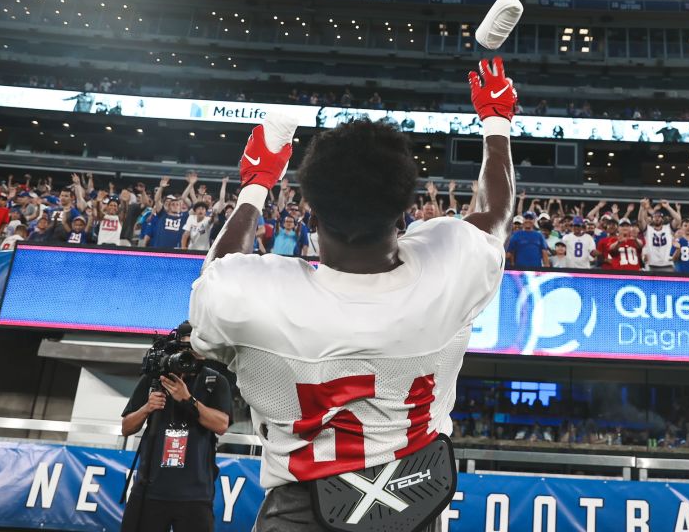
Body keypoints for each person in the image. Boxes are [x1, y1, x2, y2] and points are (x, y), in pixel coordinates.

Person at [188, 41, 519, 531]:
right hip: (410, 503)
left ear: (311, 217)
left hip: (298, 510)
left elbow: (219, 271)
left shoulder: (254, 296)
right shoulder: (451, 271)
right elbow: (495, 215)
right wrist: (496, 122)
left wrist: (257, 184)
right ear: (405, 212)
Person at [119, 322, 232, 532]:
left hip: (195, 494)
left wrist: (188, 400)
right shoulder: (155, 377)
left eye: (195, 348)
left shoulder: (216, 381)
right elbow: (126, 427)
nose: (189, 354)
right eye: (184, 348)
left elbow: (221, 425)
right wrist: (146, 408)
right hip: (149, 490)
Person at [638, 199, 679, 272]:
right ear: (652, 218)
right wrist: (642, 207)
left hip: (667, 264)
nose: (657, 218)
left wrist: (668, 207)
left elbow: (678, 219)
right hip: (652, 264)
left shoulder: (668, 228)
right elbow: (640, 221)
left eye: (659, 216)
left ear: (662, 219)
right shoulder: (648, 229)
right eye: (655, 216)